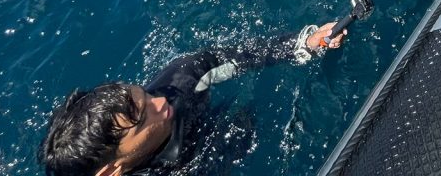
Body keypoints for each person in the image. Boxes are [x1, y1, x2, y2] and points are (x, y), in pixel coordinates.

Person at [39, 21, 346, 176]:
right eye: (144, 117)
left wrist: (305, 42)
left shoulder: (178, 83)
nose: (161, 103)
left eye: (144, 95)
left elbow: (243, 54)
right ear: (112, 172)